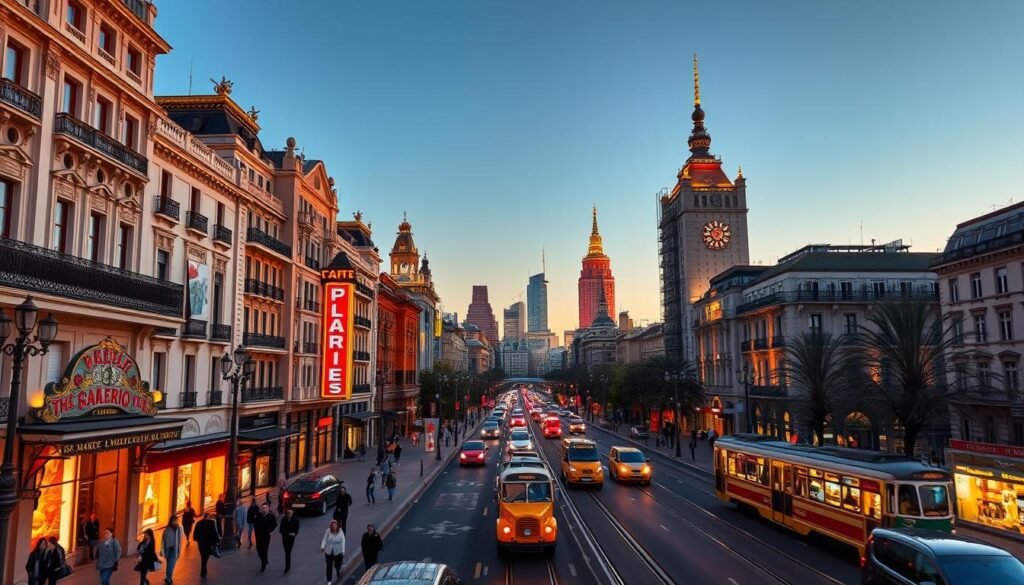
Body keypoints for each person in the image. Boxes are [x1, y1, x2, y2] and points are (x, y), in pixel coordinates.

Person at [193, 512, 220, 577]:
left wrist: (196, 539)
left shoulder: (199, 523)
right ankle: (203, 569)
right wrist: (217, 541)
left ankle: (204, 569)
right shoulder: (211, 523)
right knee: (206, 556)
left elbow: (195, 533)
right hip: (208, 543)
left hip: (201, 543)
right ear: (208, 517)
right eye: (209, 516)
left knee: (203, 555)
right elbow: (214, 533)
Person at [253, 503, 278, 572]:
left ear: (268, 509)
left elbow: (275, 524)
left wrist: (270, 531)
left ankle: (263, 565)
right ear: (261, 509)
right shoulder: (258, 515)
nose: (264, 509)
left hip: (266, 536)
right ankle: (265, 560)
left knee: (264, 550)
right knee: (259, 550)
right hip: (258, 536)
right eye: (263, 508)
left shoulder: (271, 516)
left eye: (265, 508)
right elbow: (255, 523)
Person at [320, 520, 346, 585]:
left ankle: (338, 576)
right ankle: (329, 581)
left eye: (335, 525)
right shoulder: (328, 531)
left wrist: (343, 551)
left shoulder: (340, 531)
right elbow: (324, 539)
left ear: (337, 526)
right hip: (329, 551)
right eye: (332, 526)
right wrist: (322, 546)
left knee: (337, 566)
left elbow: (343, 542)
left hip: (338, 551)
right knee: (329, 567)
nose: (333, 527)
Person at [161, 514, 183, 585]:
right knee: (170, 565)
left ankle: (168, 577)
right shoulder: (167, 530)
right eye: (174, 521)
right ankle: (168, 577)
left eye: (176, 521)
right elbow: (163, 540)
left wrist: (179, 529)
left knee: (171, 565)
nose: (175, 522)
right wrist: (162, 549)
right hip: (169, 549)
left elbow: (181, 537)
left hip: (175, 549)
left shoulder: (179, 529)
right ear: (171, 521)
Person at [279, 507, 299, 573]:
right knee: (286, 552)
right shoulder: (284, 519)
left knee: (288, 552)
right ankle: (288, 565)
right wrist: (283, 533)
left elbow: (297, 528)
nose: (289, 514)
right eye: (288, 512)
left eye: (290, 512)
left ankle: (287, 566)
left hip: (291, 538)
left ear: (292, 513)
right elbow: (281, 529)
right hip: (284, 538)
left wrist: (294, 533)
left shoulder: (295, 519)